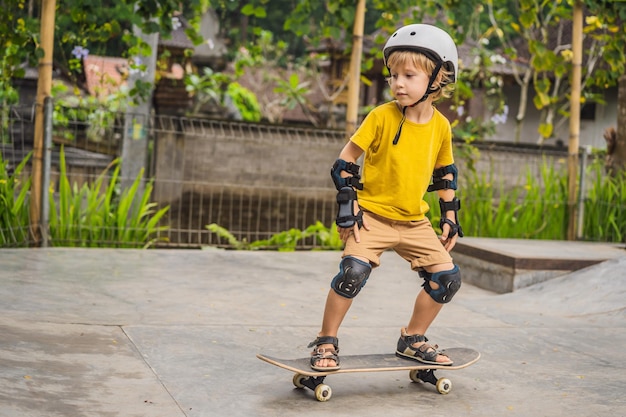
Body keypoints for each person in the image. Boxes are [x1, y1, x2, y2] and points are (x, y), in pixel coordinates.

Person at [308, 23, 464, 371]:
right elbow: (344, 163)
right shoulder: (380, 116)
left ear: (438, 79)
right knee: (352, 273)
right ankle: (326, 341)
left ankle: (412, 338)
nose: (398, 83)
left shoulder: (441, 127)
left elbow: (445, 175)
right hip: (371, 217)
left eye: (409, 75)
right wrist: (349, 210)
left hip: (415, 222)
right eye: (393, 75)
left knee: (447, 279)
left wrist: (450, 218)